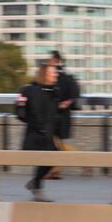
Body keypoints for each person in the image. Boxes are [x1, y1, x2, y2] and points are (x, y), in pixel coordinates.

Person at [16, 64, 59, 202]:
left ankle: (36, 184)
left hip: (46, 135)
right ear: (44, 74)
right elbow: (32, 113)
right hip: (37, 135)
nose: (56, 75)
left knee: (51, 159)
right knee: (48, 159)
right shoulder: (33, 91)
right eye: (53, 73)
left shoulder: (51, 91)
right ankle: (36, 187)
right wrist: (41, 128)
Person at [45, 50, 88, 178]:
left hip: (61, 116)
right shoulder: (58, 77)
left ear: (56, 61)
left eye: (51, 60)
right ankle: (56, 170)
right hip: (54, 116)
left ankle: (84, 162)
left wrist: (66, 102)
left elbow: (75, 96)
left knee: (57, 144)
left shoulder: (65, 78)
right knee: (56, 144)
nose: (50, 62)